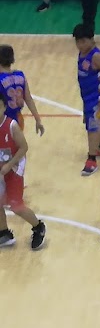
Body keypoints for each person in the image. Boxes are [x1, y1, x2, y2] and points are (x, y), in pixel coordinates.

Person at [0, 92, 47, 250]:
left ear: (4, 107)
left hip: (14, 167)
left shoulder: (11, 125)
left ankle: (38, 227)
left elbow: (24, 147)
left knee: (16, 206)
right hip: (2, 167)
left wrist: (9, 164)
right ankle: (4, 233)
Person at [73, 23, 100, 176]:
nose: (80, 45)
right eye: (78, 42)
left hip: (96, 98)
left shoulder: (96, 56)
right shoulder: (82, 53)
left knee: (92, 127)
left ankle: (91, 160)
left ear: (92, 39)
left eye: (83, 41)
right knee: (98, 123)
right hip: (87, 96)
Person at [0, 45, 45, 135]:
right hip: (18, 120)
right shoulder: (20, 75)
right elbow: (28, 99)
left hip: (3, 121)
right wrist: (37, 119)